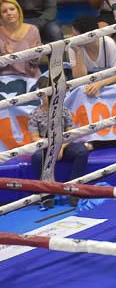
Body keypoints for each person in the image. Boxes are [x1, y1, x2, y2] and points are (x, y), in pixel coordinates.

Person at [68, 15, 116, 151]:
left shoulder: (108, 43)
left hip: (110, 81)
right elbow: (78, 77)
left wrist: (100, 84)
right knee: (81, 94)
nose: (71, 36)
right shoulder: (72, 46)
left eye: (75, 34)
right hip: (86, 83)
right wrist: (77, 52)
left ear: (87, 36)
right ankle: (90, 137)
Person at [29, 75, 92, 208]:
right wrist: (52, 147)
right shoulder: (35, 114)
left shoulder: (63, 110)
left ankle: (73, 190)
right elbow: (34, 137)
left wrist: (61, 147)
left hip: (64, 145)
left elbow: (70, 133)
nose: (50, 97)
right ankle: (46, 193)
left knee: (82, 151)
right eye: (46, 94)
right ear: (40, 94)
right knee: (37, 157)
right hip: (46, 147)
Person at [0, 0, 41, 78]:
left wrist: (34, 56)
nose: (9, 13)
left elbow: (35, 63)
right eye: (4, 11)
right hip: (6, 77)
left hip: (30, 76)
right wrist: (7, 55)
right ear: (1, 17)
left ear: (18, 11)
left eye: (12, 9)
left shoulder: (33, 30)